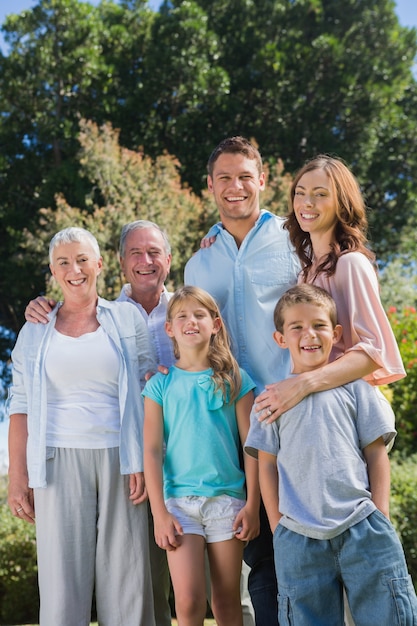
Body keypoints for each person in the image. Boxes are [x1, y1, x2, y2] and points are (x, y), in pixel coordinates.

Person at [23, 219, 174, 626]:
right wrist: (18, 477)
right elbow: (19, 404)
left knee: (128, 582)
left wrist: (141, 460)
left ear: (101, 265)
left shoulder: (124, 321)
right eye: (64, 262)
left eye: (83, 260)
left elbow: (147, 396)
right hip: (56, 461)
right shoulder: (35, 330)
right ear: (53, 271)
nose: (75, 270)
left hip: (120, 459)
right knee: (62, 585)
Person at [245, 283, 417, 625]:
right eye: (296, 327)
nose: (309, 334)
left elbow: (376, 452)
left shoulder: (357, 389)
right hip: (299, 536)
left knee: (391, 617)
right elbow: (267, 466)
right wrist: (280, 528)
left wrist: (379, 514)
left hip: (363, 528)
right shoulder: (270, 401)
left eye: (319, 325)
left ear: (335, 333)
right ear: (281, 338)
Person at [185, 136, 301, 624]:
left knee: (311, 535)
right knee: (260, 552)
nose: (236, 187)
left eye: (245, 177)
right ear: (210, 185)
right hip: (234, 425)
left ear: (263, 181)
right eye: (225, 178)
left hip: (294, 408)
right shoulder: (200, 261)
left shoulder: (295, 241)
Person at [255, 154, 405, 422]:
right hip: (316, 410)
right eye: (300, 193)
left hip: (345, 413)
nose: (307, 203)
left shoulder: (351, 264)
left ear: (341, 204)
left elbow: (374, 352)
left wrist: (303, 384)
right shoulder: (305, 275)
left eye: (320, 194)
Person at [142, 285, 260, 626]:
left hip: (228, 502)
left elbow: (252, 446)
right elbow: (151, 451)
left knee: (226, 601)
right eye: (181, 316)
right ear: (169, 328)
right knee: (189, 601)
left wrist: (252, 505)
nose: (190, 321)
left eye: (199, 314)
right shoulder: (160, 386)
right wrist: (159, 513)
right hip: (179, 504)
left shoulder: (235, 379)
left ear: (216, 324)